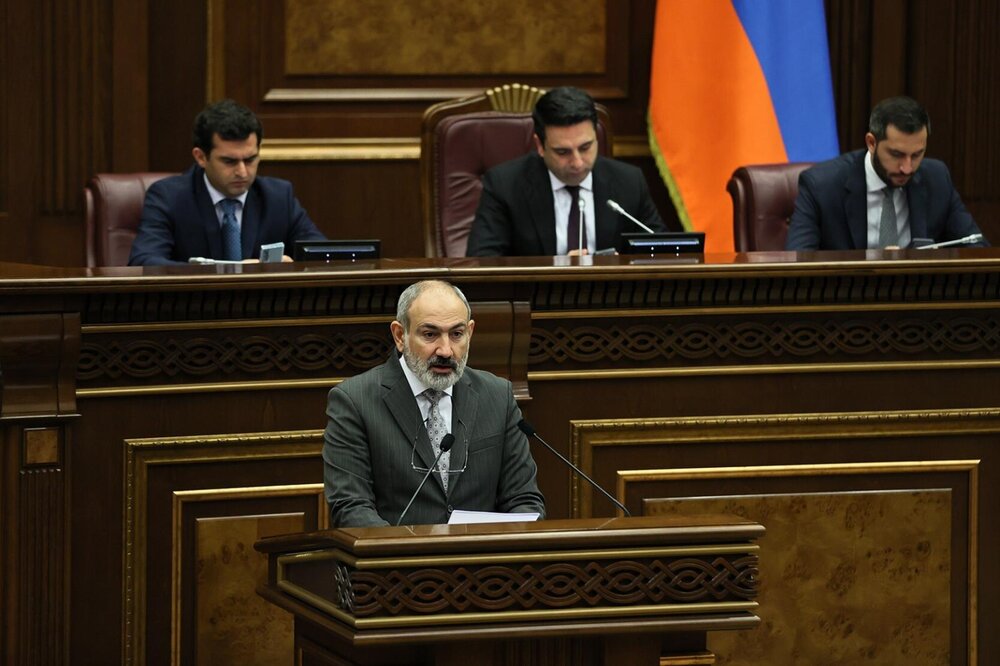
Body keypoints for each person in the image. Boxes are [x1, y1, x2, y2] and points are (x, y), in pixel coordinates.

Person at [323, 280, 545, 527]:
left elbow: (523, 499)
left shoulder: (497, 395)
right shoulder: (355, 400)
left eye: (456, 334)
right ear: (400, 335)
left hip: (483, 551)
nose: (446, 351)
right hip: (396, 551)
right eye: (430, 334)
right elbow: (351, 506)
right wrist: (406, 548)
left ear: (470, 332)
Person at [466, 86, 666, 256]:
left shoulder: (629, 182)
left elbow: (662, 251)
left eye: (585, 147)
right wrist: (559, 269)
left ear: (596, 137)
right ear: (540, 146)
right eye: (563, 152)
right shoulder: (505, 186)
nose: (577, 163)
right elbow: (483, 261)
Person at [128, 99, 326, 266]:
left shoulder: (278, 196)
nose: (242, 172)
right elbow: (144, 262)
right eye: (229, 161)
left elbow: (323, 256)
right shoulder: (169, 197)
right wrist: (226, 272)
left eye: (250, 159)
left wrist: (292, 265)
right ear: (201, 157)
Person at [786, 96, 987, 251]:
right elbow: (799, 262)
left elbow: (977, 248)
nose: (907, 168)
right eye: (897, 155)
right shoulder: (821, 186)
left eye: (917, 154)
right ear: (871, 143)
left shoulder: (937, 178)